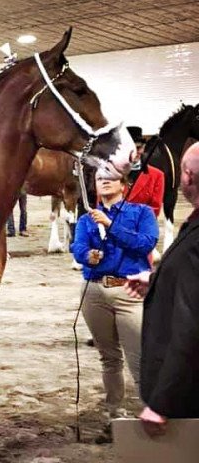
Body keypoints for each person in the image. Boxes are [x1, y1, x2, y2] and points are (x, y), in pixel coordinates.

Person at [71, 172, 159, 432]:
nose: (105, 181)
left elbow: (146, 243)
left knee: (140, 357)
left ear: (124, 185)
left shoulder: (142, 213)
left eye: (111, 177)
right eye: (100, 178)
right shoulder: (87, 219)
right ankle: (114, 414)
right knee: (108, 358)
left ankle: (153, 412)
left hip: (130, 292)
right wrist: (88, 255)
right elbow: (76, 246)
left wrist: (110, 225)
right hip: (94, 292)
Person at [125, 142, 199, 437]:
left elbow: (190, 326)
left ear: (188, 177)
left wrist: (162, 403)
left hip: (188, 399)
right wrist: (157, 281)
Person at [124, 126, 165, 218]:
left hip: (141, 228)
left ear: (144, 148)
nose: (135, 152)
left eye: (138, 148)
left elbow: (154, 209)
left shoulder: (157, 175)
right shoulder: (111, 173)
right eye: (131, 148)